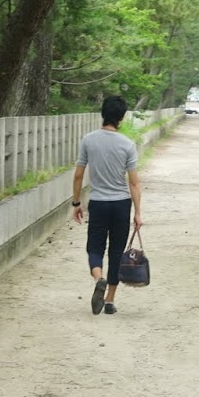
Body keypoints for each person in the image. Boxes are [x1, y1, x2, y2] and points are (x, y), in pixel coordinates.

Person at [71, 95, 142, 315]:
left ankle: (98, 278)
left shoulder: (88, 140)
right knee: (117, 251)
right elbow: (134, 182)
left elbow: (78, 175)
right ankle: (109, 301)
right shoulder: (127, 144)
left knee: (95, 248)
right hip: (121, 204)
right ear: (121, 117)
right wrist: (138, 213)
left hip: (98, 203)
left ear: (103, 114)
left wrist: (76, 202)